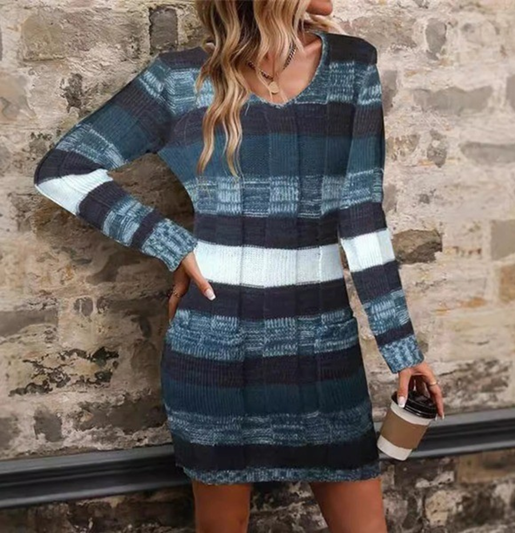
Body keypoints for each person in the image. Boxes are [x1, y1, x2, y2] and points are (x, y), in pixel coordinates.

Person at [33, 0, 445, 531]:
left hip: (322, 344)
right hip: (215, 346)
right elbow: (63, 168)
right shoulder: (180, 78)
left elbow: (361, 216)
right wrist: (170, 242)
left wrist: (403, 352)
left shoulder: (352, 65)